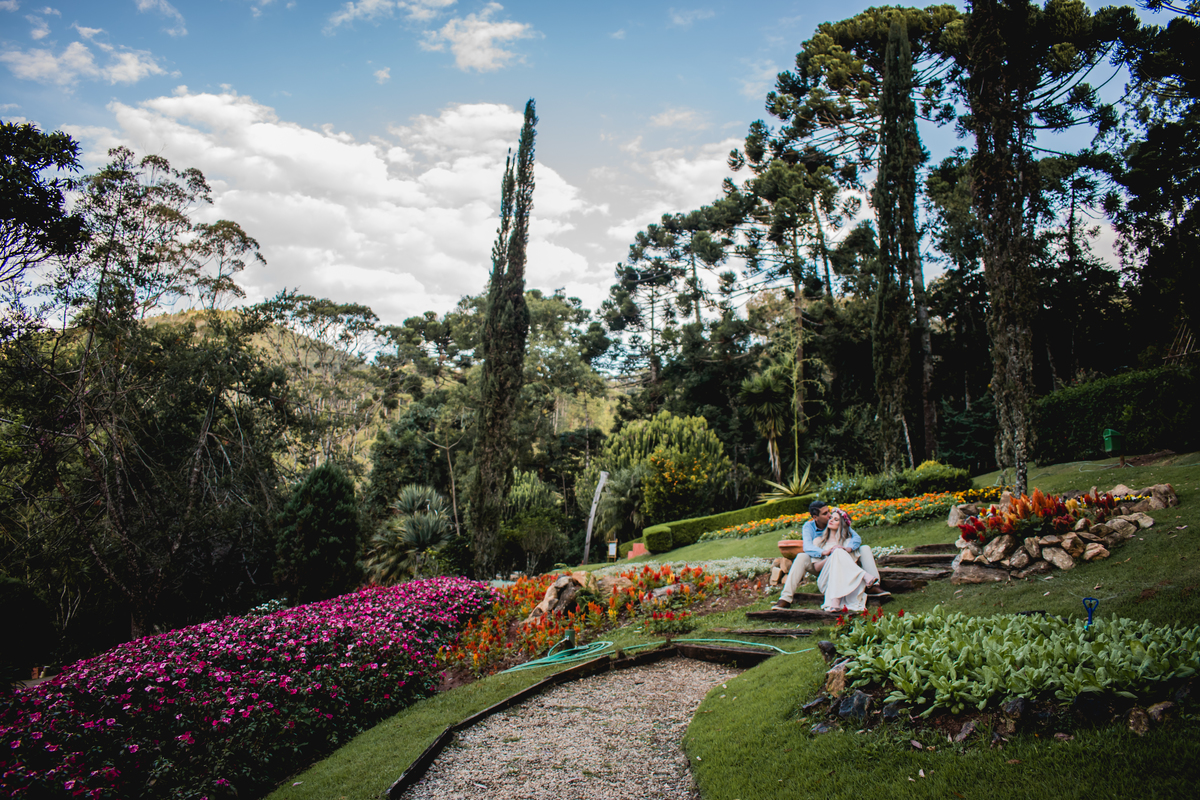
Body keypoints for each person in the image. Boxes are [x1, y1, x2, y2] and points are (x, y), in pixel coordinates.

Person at [772, 500, 880, 611]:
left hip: (843, 565)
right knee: (801, 556)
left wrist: (846, 549)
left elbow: (856, 538)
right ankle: (785, 598)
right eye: (825, 514)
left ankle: (875, 585)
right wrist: (826, 552)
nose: (829, 516)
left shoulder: (841, 529)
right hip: (822, 565)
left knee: (863, 548)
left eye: (829, 512)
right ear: (815, 517)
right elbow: (807, 547)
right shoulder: (810, 529)